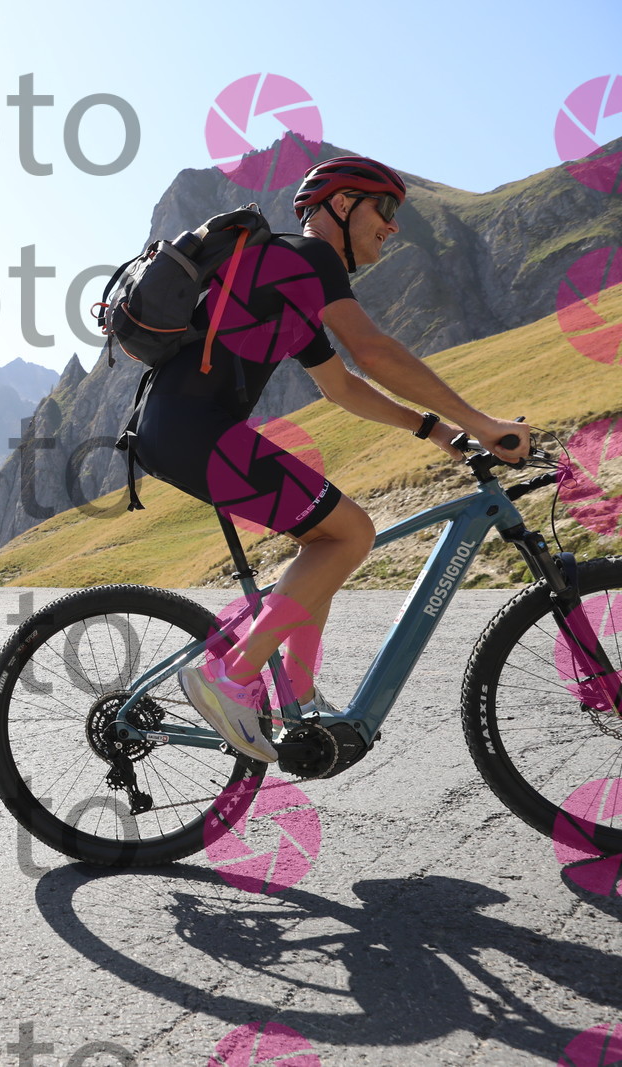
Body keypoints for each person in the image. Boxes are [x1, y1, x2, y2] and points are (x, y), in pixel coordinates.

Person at [129, 156, 529, 763]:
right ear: (341, 206)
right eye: (384, 208)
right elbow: (372, 351)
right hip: (194, 431)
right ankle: (229, 677)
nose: (392, 225)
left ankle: (297, 691)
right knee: (350, 533)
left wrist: (435, 430)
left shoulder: (291, 279)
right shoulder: (310, 258)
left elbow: (340, 386)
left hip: (181, 431)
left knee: (325, 541)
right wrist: (485, 424)